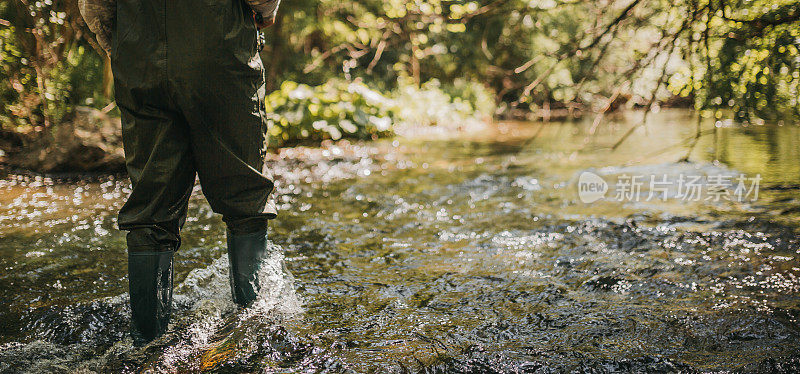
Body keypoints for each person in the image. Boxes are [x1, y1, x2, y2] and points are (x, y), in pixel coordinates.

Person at [80, 0, 282, 345]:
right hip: (219, 46)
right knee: (243, 194)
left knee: (150, 206)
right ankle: (254, 337)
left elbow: (95, 7)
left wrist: (120, 40)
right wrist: (264, 12)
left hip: (137, 54)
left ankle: (147, 343)